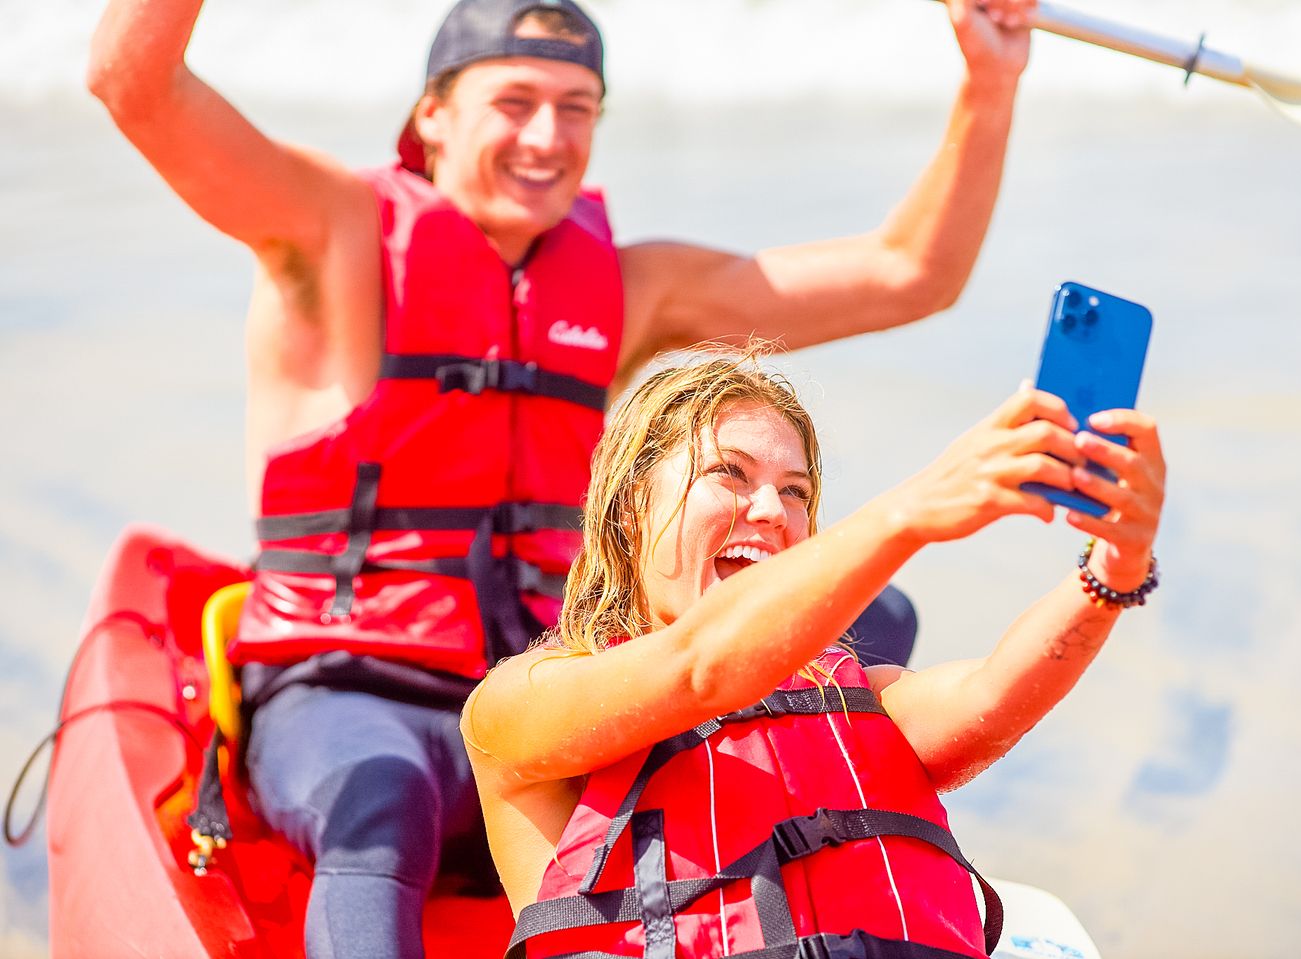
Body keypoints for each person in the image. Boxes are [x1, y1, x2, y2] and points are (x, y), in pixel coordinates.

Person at [86, 0, 1036, 954]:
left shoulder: (627, 285)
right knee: (380, 804)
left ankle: (814, 894)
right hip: (358, 688)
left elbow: (911, 273)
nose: (548, 136)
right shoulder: (325, 229)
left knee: (874, 615)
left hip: (549, 681)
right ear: (433, 116)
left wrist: (990, 84)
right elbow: (133, 83)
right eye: (515, 100)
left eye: (578, 107)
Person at [463, 353, 1165, 958]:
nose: (770, 508)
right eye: (730, 474)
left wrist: (1115, 568)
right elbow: (698, 668)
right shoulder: (521, 704)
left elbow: (992, 699)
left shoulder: (865, 697)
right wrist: (911, 511)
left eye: (794, 491)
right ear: (630, 507)